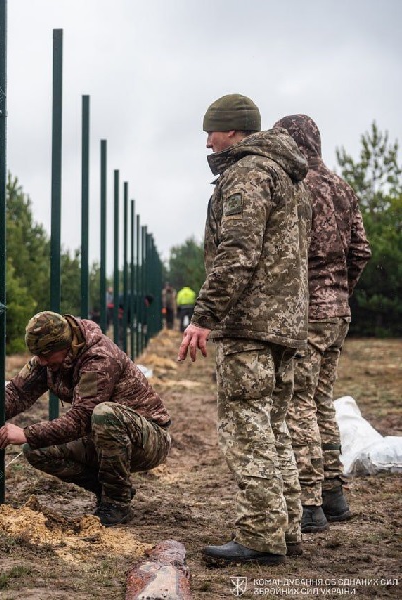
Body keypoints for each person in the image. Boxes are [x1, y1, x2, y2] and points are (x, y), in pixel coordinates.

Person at [178, 94, 310, 565]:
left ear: (232, 131)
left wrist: (204, 317)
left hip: (250, 326)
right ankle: (286, 528)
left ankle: (259, 535)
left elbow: (237, 252)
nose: (207, 140)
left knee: (246, 428)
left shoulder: (248, 174)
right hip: (283, 325)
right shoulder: (289, 176)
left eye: (211, 131)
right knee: (274, 428)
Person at [274, 114, 371, 533]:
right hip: (340, 313)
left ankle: (310, 502)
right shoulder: (343, 187)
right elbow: (362, 250)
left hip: (308, 313)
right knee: (322, 401)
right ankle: (334, 494)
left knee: (297, 402)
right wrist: (341, 288)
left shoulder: (298, 187)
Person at [0, 311, 171, 525]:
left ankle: (117, 504)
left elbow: (82, 418)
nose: (41, 361)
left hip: (149, 438)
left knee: (105, 414)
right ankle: (109, 488)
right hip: (105, 436)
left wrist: (26, 433)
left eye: (46, 355)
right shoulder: (49, 359)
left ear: (64, 346)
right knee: (36, 450)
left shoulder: (99, 357)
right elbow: (17, 392)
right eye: (37, 355)